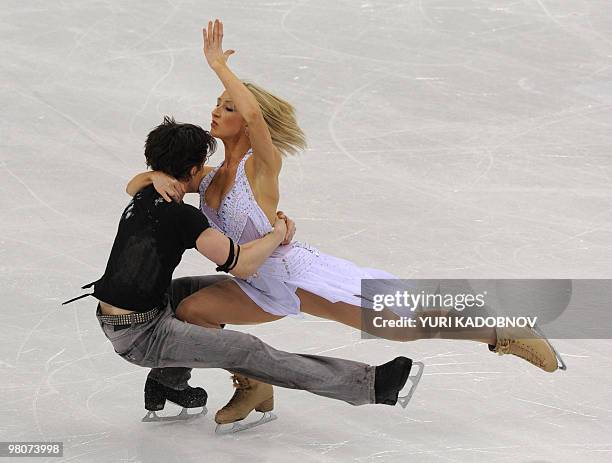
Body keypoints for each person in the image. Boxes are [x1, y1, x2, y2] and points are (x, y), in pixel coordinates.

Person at [126, 19, 564, 429]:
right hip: (253, 285)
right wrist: (154, 175)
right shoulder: (211, 176)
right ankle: (256, 385)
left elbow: (258, 119)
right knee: (192, 312)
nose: (216, 111)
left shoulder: (261, 167)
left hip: (293, 276)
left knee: (398, 326)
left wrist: (219, 66)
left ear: (246, 117)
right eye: (217, 104)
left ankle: (502, 331)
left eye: (227, 106)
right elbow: (133, 187)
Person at [63, 116, 423, 433]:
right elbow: (243, 264)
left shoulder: (144, 192)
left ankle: (167, 384)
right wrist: (277, 236)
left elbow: (134, 182)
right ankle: (370, 385)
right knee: (246, 350)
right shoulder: (183, 217)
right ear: (192, 172)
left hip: (130, 311)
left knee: (199, 298)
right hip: (141, 335)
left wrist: (151, 175)